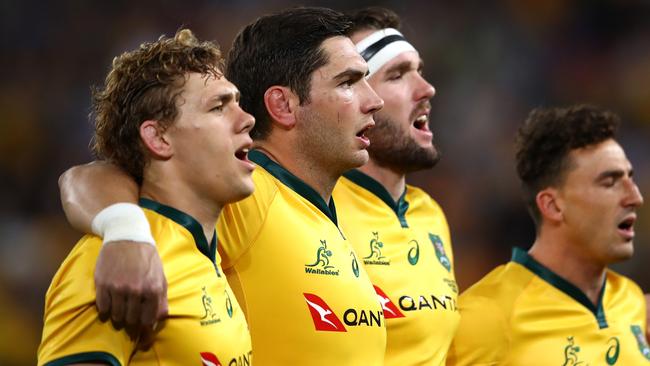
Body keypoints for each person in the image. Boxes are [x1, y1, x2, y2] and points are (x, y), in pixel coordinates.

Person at [58, 7, 386, 365]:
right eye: (347, 82)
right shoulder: (245, 200)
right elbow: (91, 176)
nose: (246, 118)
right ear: (283, 104)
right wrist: (124, 230)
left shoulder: (322, 211)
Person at [38, 29, 254, 365]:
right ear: (159, 138)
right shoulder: (115, 265)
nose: (247, 119)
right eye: (218, 107)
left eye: (238, 103)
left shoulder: (203, 252)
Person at [447, 105, 649, 365]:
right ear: (553, 205)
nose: (636, 197)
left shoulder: (631, 301)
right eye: (609, 182)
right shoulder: (488, 317)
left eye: (630, 179)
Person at [331, 7, 459, 365]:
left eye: (420, 70)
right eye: (398, 74)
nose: (427, 88)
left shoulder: (430, 215)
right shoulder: (309, 206)